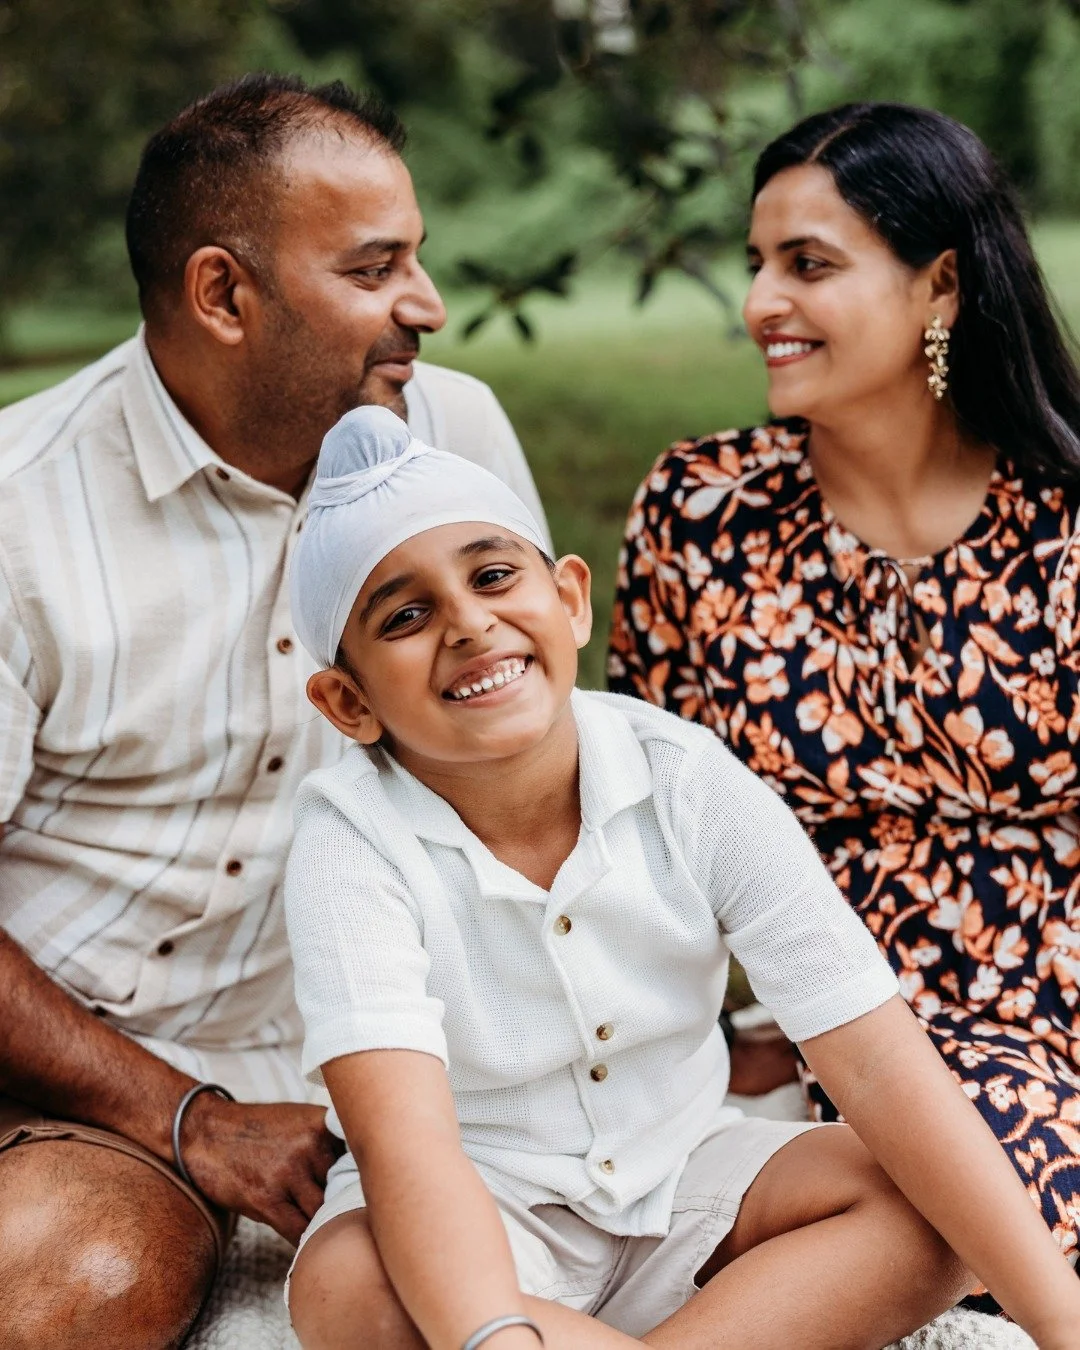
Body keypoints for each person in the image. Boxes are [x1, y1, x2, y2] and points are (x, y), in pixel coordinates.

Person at [282, 403, 1080, 1350]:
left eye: (493, 576)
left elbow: (873, 1059)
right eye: (405, 617)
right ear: (347, 702)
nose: (468, 622)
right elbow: (408, 1151)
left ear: (571, 599)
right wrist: (492, 1333)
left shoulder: (686, 776)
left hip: (689, 1177)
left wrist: (1061, 1324)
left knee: (938, 1205)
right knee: (350, 1291)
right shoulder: (347, 844)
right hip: (476, 1211)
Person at [0, 73, 549, 1350]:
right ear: (222, 294)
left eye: (416, 257)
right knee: (78, 1285)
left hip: (369, 1059)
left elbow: (535, 770)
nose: (428, 304)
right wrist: (189, 1119)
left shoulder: (455, 435)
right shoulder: (20, 514)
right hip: (65, 1071)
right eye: (375, 268)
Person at [608, 100, 1080, 1285]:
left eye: (809, 265)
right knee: (977, 1171)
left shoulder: (1066, 522)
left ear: (940, 287)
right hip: (868, 1018)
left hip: (1058, 986)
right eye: (758, 263)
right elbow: (636, 820)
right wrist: (705, 1040)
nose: (760, 302)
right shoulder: (702, 513)